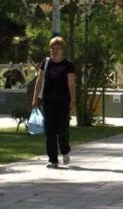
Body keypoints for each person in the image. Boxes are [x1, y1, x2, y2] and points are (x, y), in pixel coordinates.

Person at [32, 36, 76, 168]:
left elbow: (71, 84)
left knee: (63, 130)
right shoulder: (46, 63)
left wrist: (72, 101)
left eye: (57, 48)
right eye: (52, 48)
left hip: (63, 102)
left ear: (62, 49)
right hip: (48, 101)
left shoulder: (68, 65)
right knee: (50, 131)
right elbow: (39, 81)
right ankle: (53, 159)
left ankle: (65, 150)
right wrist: (35, 99)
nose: (54, 51)